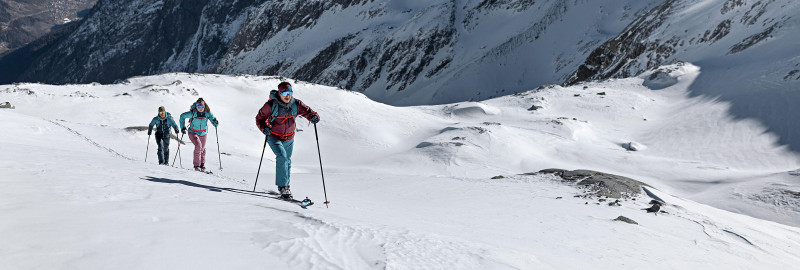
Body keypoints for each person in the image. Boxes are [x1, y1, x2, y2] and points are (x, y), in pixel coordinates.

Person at [255, 82, 320, 200]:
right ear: (279, 93)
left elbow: (308, 112)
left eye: (290, 93)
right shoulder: (270, 105)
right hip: (274, 136)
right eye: (284, 93)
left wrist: (314, 117)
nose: (287, 96)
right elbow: (259, 118)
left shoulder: (296, 104)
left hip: (290, 138)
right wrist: (264, 129)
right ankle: (284, 187)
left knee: (287, 161)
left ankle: (284, 186)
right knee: (282, 157)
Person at [179, 98, 218, 172]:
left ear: (204, 106)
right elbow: (182, 116)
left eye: (202, 107)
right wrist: (183, 127)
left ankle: (202, 165)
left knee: (202, 149)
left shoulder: (207, 113)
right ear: (196, 107)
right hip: (193, 132)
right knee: (198, 146)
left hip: (203, 133)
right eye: (199, 107)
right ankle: (196, 165)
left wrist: (215, 123)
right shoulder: (193, 113)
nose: (201, 109)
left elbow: (213, 120)